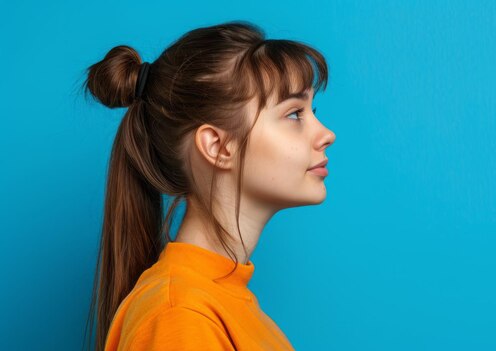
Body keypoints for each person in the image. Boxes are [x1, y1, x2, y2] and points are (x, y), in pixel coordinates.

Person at [81, 20, 336, 351]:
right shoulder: (182, 315)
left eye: (311, 111)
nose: (326, 134)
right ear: (218, 147)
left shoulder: (221, 304)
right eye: (294, 114)